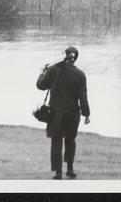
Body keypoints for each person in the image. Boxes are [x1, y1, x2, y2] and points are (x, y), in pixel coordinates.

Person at [36, 46, 91, 180]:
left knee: (56, 141)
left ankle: (58, 172)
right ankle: (70, 169)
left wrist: (42, 72)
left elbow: (41, 86)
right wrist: (87, 114)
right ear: (75, 58)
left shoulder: (53, 70)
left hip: (56, 113)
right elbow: (82, 97)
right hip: (73, 114)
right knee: (71, 140)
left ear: (64, 56)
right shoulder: (80, 74)